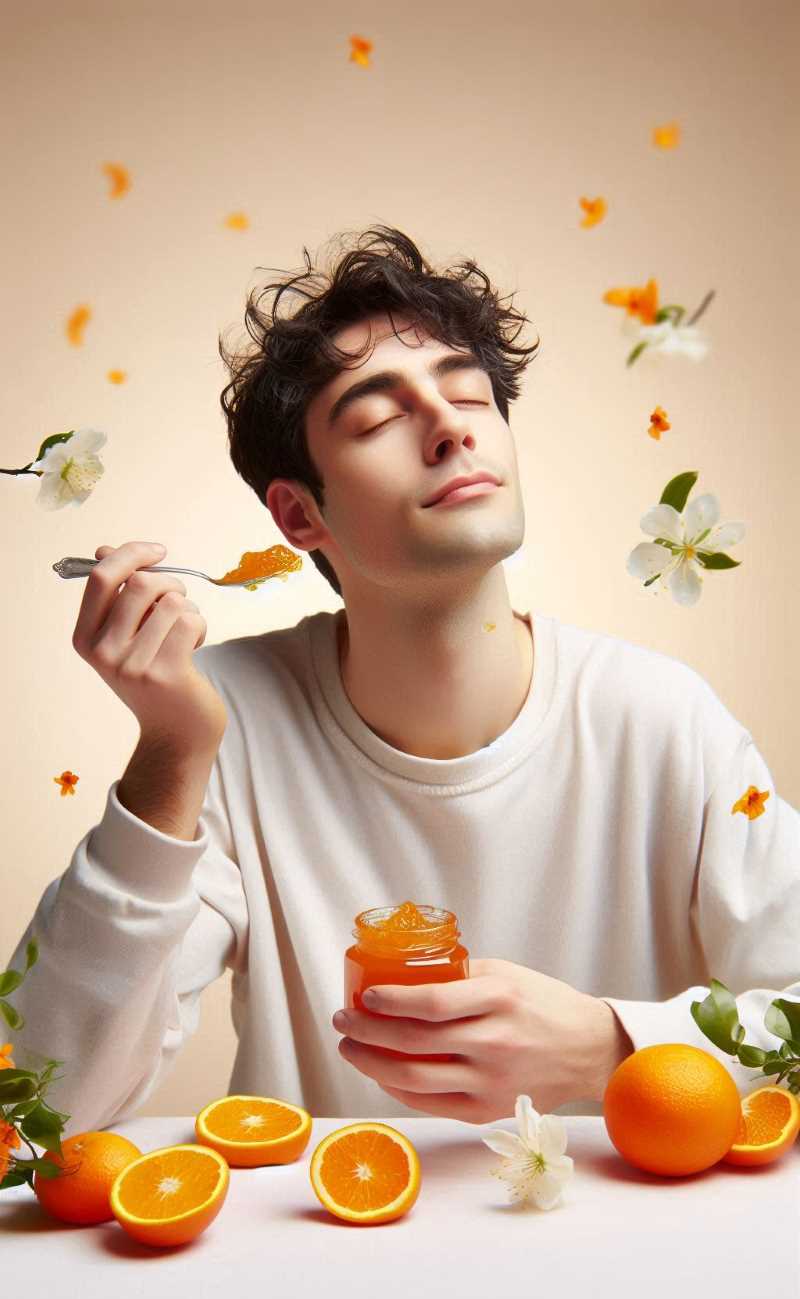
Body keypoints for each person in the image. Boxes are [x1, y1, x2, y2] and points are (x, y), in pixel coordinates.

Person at [5, 227, 799, 1136]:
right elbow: (35, 1110)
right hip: (330, 1250)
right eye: (379, 419)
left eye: (469, 394)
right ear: (299, 515)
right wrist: (171, 758)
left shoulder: (663, 720)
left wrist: (613, 1046)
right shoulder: (226, 725)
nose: (452, 425)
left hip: (622, 1267)